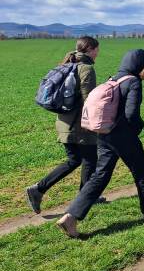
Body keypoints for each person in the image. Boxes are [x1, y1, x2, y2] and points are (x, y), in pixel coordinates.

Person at [56, 49, 144, 237]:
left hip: (104, 134)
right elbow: (131, 114)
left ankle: (70, 216)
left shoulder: (112, 79)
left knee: (100, 176)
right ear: (140, 65)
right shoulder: (133, 82)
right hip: (123, 136)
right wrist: (138, 127)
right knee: (141, 171)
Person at [26, 37, 106, 214]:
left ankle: (38, 189)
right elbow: (89, 101)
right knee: (89, 160)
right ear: (91, 49)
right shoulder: (86, 69)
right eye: (97, 50)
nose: (98, 53)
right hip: (80, 125)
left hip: (63, 123)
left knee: (75, 160)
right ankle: (85, 199)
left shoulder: (67, 64)